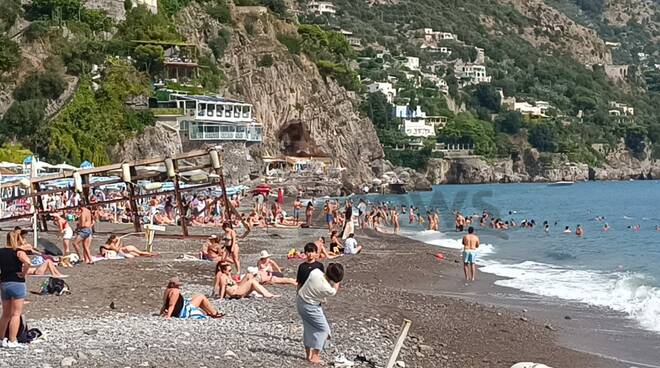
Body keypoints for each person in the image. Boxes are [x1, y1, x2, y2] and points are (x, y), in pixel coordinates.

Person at [296, 263, 344, 364]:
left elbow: (314, 287)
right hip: (311, 307)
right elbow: (334, 290)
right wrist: (337, 282)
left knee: (308, 328)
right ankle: (315, 355)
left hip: (300, 301)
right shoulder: (328, 289)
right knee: (324, 330)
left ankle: (308, 355)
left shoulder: (315, 272)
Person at [0, 230, 32, 348]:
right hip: (17, 282)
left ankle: (1, 339)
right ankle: (13, 340)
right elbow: (28, 262)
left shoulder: (1, 251)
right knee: (16, 314)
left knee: (5, 314)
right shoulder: (18, 251)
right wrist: (24, 273)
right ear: (18, 239)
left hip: (4, 283)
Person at [213, 263, 279, 299]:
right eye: (229, 270)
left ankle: (266, 294)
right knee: (252, 281)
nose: (231, 271)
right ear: (224, 271)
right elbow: (223, 287)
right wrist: (221, 298)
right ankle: (266, 294)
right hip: (235, 293)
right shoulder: (223, 277)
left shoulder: (228, 275)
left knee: (249, 275)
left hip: (238, 289)